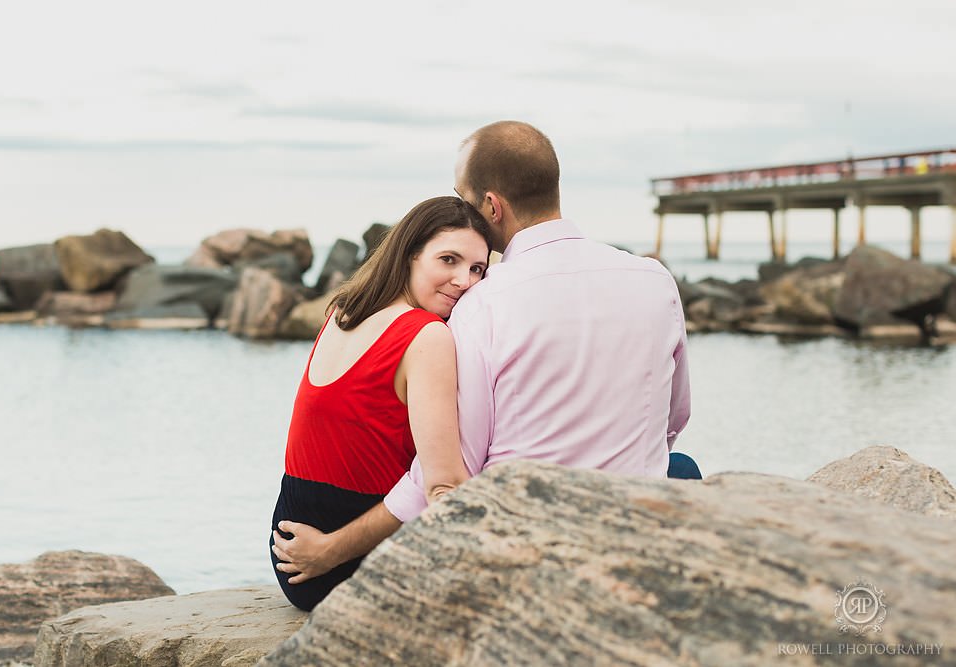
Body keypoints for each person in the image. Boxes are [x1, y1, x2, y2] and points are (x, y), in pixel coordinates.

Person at [272, 120, 695, 587]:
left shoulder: (480, 305)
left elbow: (451, 473)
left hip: (523, 540)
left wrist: (331, 550)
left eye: (463, 197)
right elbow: (675, 419)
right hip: (626, 525)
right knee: (680, 469)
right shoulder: (654, 279)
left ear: (491, 206)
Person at [269, 195, 492, 611]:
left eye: (477, 268)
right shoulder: (427, 335)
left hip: (289, 549)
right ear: (409, 256)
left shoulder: (342, 312)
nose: (465, 281)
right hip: (345, 562)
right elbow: (443, 485)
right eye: (448, 260)